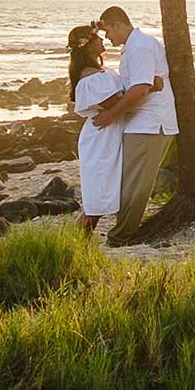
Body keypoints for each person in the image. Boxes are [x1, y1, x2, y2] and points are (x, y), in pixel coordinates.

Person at [92, 5, 177, 244]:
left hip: (150, 123)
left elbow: (139, 89)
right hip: (141, 122)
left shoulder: (140, 47)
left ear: (118, 24)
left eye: (108, 31)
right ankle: (123, 232)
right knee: (129, 179)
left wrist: (112, 115)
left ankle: (121, 236)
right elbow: (145, 84)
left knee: (136, 183)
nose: (107, 38)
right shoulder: (133, 47)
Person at [67, 23, 123, 235]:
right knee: (97, 200)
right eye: (97, 38)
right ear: (87, 45)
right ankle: (75, 244)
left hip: (109, 133)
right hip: (101, 138)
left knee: (103, 195)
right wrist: (147, 88)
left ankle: (81, 243)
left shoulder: (98, 72)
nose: (102, 40)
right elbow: (114, 103)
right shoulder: (89, 77)